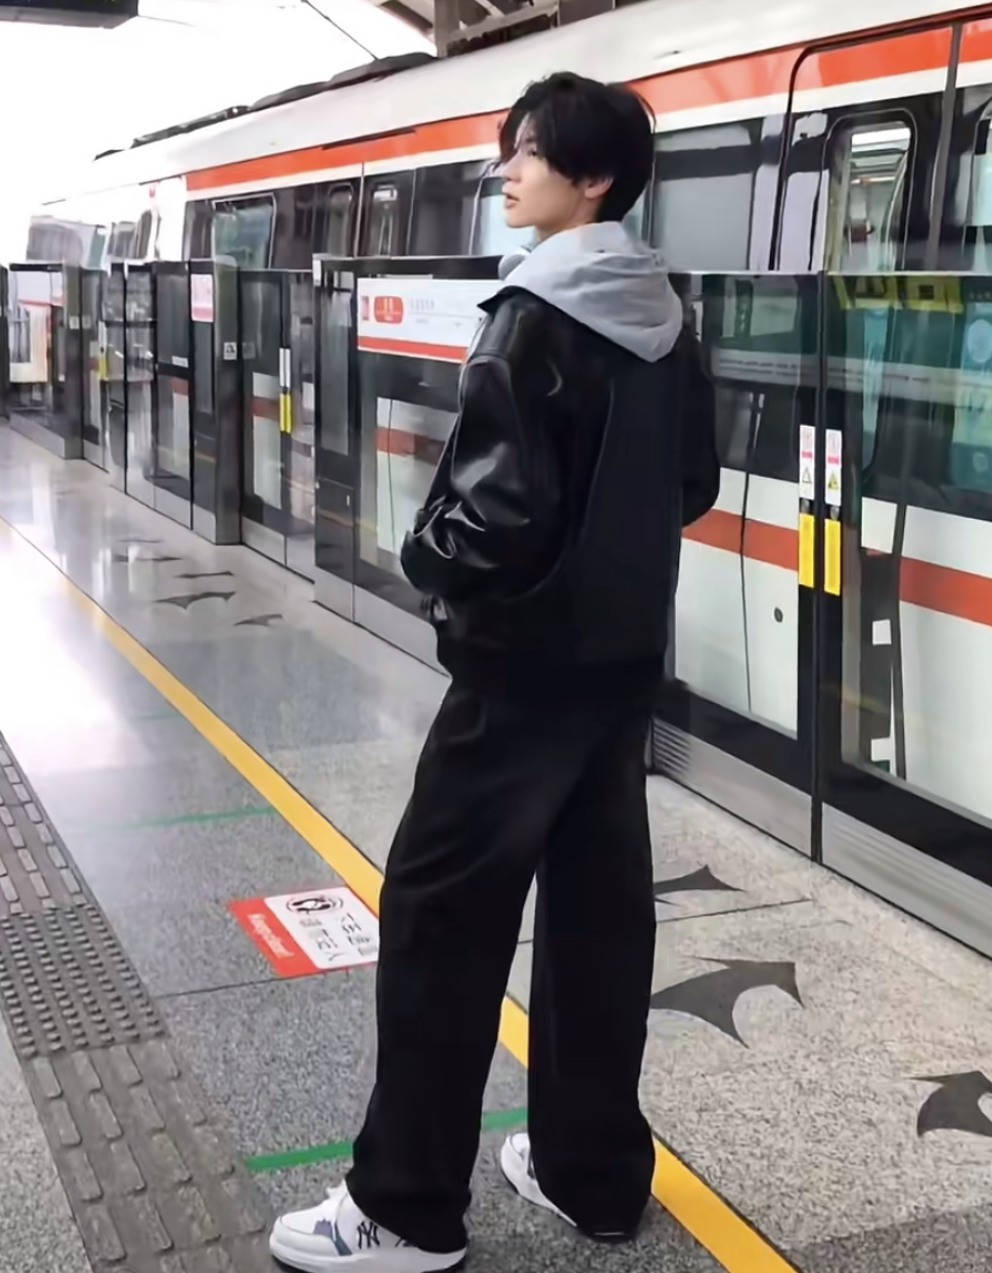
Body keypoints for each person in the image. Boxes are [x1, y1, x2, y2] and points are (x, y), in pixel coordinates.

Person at [270, 72, 720, 1272]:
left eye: (527, 152)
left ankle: (405, 1206)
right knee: (597, 920)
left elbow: (495, 517)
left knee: (439, 917)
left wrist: (425, 558)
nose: (505, 171)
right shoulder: (667, 312)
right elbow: (693, 484)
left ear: (595, 178)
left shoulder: (533, 313)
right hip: (621, 669)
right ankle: (592, 1174)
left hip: (518, 677)